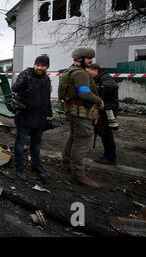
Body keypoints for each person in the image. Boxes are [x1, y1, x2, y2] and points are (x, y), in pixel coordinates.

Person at [58, 48, 104, 188]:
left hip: (73, 111)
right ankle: (78, 175)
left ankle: (65, 166)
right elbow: (84, 93)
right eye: (89, 58)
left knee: (73, 138)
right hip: (81, 114)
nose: (91, 61)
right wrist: (99, 101)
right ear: (80, 59)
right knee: (82, 141)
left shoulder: (71, 70)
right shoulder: (80, 74)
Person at [11, 55, 52, 180]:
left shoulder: (46, 79)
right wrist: (23, 82)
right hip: (24, 116)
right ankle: (19, 168)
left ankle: (36, 165)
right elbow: (14, 88)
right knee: (20, 143)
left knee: (36, 143)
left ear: (47, 67)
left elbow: (47, 98)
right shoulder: (26, 75)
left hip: (40, 117)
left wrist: (49, 113)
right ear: (34, 65)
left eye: (42, 66)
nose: (39, 68)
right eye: (37, 65)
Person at [86, 64, 119, 165]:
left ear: (95, 70)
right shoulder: (99, 77)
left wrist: (97, 88)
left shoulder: (105, 78)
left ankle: (110, 157)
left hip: (108, 109)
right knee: (100, 130)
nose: (88, 74)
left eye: (88, 72)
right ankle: (109, 155)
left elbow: (112, 85)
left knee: (105, 132)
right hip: (103, 109)